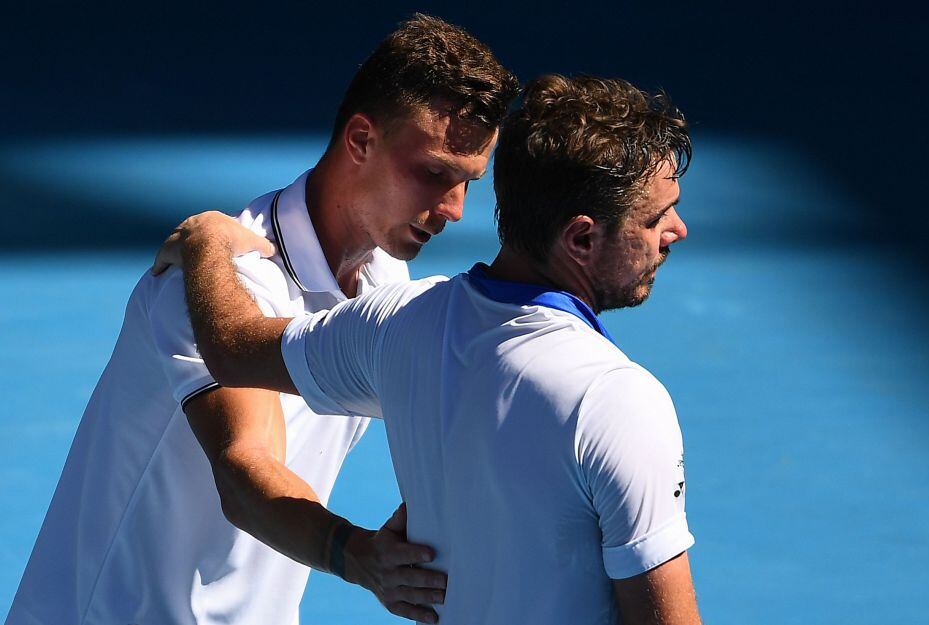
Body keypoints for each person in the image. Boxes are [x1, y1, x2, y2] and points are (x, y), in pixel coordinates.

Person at [7, 14, 517, 625]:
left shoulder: (385, 279)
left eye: (467, 182)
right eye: (434, 174)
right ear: (361, 141)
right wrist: (359, 557)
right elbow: (246, 474)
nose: (454, 209)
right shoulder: (222, 284)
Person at [159, 74, 701, 624]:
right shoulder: (618, 399)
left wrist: (208, 240)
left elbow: (229, 348)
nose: (676, 231)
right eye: (656, 218)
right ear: (581, 239)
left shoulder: (396, 323)